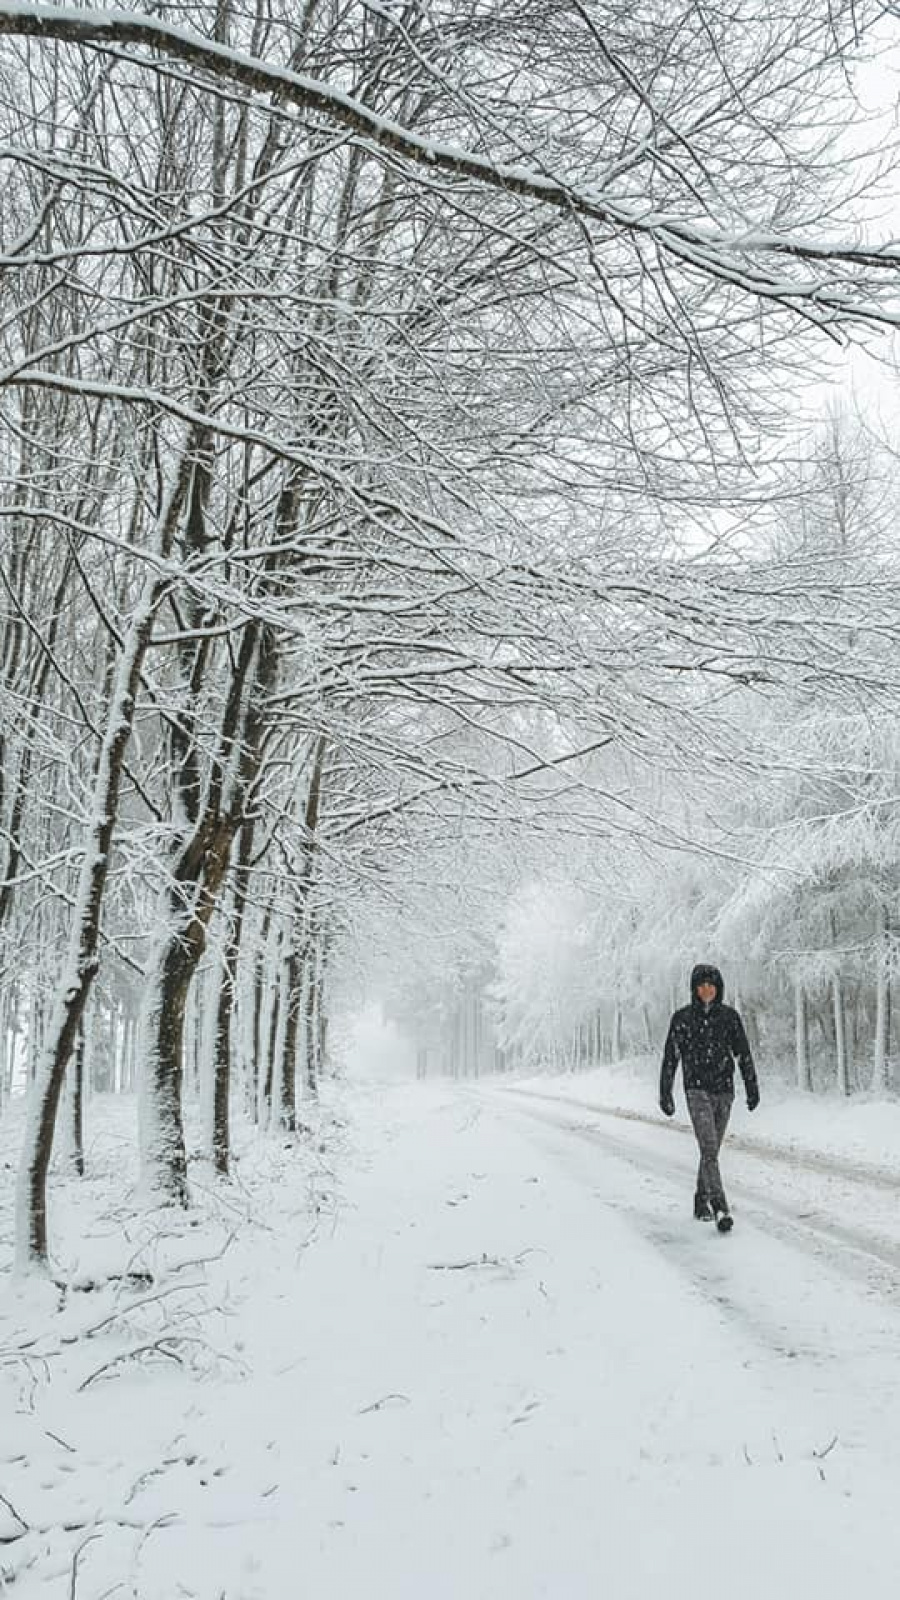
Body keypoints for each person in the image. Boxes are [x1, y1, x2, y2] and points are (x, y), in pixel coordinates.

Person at [659, 963, 759, 1232]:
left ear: (718, 988)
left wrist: (752, 1087)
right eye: (701, 985)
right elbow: (671, 1057)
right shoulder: (682, 1019)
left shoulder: (729, 1018)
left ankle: (700, 1198)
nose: (706, 990)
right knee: (709, 1147)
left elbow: (743, 1054)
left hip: (724, 1090)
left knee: (710, 1150)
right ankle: (720, 1206)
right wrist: (665, 1092)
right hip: (696, 1090)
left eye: (711, 985)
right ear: (694, 989)